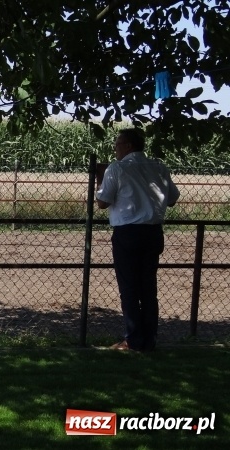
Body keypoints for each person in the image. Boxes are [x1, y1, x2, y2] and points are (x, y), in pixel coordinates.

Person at [95, 128, 180, 352]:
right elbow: (172, 199)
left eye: (117, 144)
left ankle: (133, 340)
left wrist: (99, 181)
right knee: (148, 289)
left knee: (130, 288)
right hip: (153, 233)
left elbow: (103, 202)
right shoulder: (159, 167)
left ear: (128, 146)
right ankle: (149, 339)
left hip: (127, 233)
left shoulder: (117, 168)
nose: (115, 149)